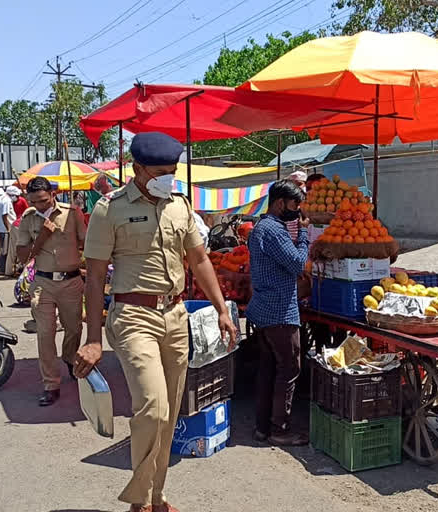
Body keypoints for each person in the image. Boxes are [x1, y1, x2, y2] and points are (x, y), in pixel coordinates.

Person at [76, 132, 237, 512]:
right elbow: (96, 277)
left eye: (173, 171)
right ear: (138, 169)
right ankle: (138, 499)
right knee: (153, 407)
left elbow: (199, 260)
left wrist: (222, 309)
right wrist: (93, 337)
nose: (169, 177)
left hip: (176, 315)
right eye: (162, 172)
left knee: (170, 412)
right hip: (133, 316)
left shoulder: (180, 206)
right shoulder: (109, 209)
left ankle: (155, 496)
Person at [246, 179, 310, 446]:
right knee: (289, 367)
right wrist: (305, 234)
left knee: (269, 367)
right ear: (280, 202)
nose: (297, 210)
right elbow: (297, 263)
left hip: (264, 307)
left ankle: (263, 427)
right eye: (295, 204)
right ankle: (279, 429)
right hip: (278, 310)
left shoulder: (262, 228)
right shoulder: (273, 230)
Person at [16, 177, 86, 406]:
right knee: (45, 334)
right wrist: (44, 235)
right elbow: (23, 255)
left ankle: (68, 358)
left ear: (53, 194)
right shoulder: (28, 218)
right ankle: (51, 384)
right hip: (43, 283)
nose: (40, 205)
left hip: (71, 281)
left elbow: (86, 242)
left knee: (74, 328)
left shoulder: (72, 213)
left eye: (44, 200)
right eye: (35, 201)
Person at [4, 186, 28, 276]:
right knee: (20, 248)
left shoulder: (21, 200)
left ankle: (10, 270)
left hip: (17, 225)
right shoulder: (8, 201)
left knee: (13, 249)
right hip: (19, 225)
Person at [0, 188, 15, 273]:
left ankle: (2, 267)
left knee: (3, 249)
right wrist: (8, 229)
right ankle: (4, 268)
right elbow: (4, 215)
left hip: (0, 228)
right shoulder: (6, 200)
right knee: (6, 250)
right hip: (5, 229)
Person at [285, 170, 308, 242]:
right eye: (293, 185)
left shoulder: (308, 199)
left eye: (299, 184)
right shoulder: (286, 201)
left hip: (304, 237)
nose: (296, 187)